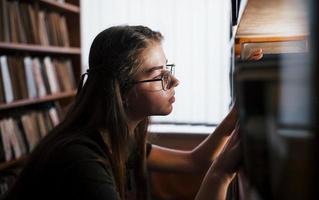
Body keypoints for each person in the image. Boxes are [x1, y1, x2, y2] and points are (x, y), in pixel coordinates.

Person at [2, 25, 242, 200]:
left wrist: (239, 110)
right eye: (159, 76)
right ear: (122, 92)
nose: (174, 80)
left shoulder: (117, 137)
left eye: (167, 68)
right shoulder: (81, 160)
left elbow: (195, 161)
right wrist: (219, 176)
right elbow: (203, 166)